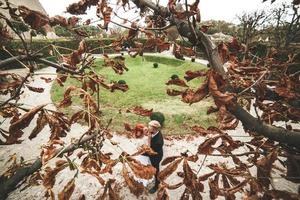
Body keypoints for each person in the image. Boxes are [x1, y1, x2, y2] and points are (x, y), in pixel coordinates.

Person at [144, 120, 164, 194]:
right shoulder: (155, 132)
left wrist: (149, 139)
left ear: (154, 128)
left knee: (156, 170)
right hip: (153, 152)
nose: (148, 127)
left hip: (156, 156)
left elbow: (150, 151)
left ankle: (156, 184)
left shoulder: (159, 142)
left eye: (150, 126)